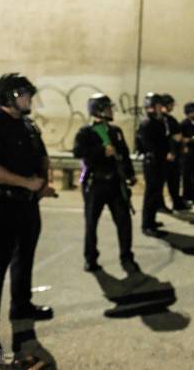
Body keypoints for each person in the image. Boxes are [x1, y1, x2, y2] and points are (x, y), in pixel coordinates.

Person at [0, 73, 56, 351]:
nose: (29, 99)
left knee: (24, 261)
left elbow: (42, 157)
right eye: (24, 94)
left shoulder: (29, 127)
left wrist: (44, 184)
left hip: (28, 206)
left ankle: (21, 308)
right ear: (8, 97)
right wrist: (27, 183)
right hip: (2, 207)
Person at [72, 93, 140, 273]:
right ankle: (90, 258)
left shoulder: (115, 131)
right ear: (98, 110)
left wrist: (130, 175)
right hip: (95, 184)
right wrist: (101, 150)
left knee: (124, 222)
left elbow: (124, 154)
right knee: (91, 223)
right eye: (108, 107)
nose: (111, 110)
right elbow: (78, 152)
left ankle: (127, 256)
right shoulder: (86, 132)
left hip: (115, 184)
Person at [136, 93, 169, 236]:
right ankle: (147, 225)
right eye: (159, 105)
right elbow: (147, 144)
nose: (162, 108)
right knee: (151, 193)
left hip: (159, 161)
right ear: (154, 107)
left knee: (156, 193)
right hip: (152, 162)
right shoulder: (147, 123)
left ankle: (152, 220)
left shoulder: (158, 121)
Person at [160, 93, 190, 211]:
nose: (172, 107)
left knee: (174, 180)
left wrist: (181, 146)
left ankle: (176, 202)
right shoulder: (162, 120)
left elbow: (178, 135)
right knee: (162, 182)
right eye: (171, 105)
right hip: (166, 156)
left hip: (174, 155)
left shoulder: (170, 119)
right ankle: (160, 204)